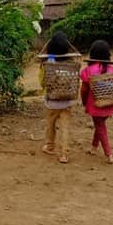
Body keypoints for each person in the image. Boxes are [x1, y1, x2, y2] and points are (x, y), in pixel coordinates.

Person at [39, 31, 77, 164]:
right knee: (65, 128)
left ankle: (50, 146)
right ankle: (64, 155)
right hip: (67, 101)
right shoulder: (72, 64)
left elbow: (43, 83)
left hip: (52, 102)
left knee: (50, 125)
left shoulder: (48, 65)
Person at [80, 40, 113, 164]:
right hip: (111, 103)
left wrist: (84, 102)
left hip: (95, 105)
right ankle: (93, 147)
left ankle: (109, 154)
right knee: (99, 125)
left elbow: (84, 89)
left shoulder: (89, 70)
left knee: (100, 127)